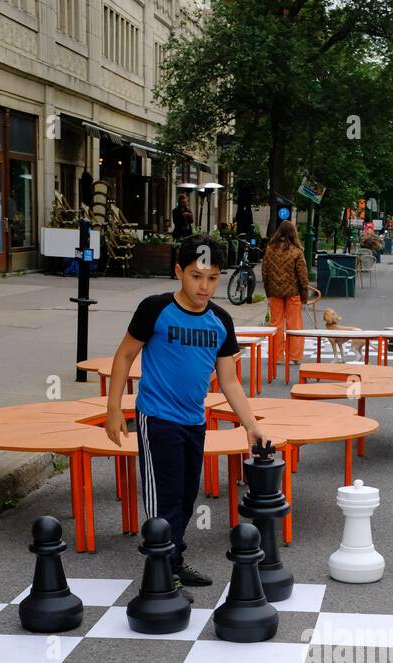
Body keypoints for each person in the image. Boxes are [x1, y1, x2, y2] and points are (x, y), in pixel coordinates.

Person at [105, 235, 267, 595]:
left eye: (212, 278)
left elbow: (229, 381)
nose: (204, 286)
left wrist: (251, 425)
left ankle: (174, 559)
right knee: (163, 497)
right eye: (196, 276)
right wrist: (114, 408)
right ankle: (161, 568)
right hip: (157, 417)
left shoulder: (220, 321)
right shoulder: (155, 309)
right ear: (179, 271)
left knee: (185, 496)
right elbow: (124, 356)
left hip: (194, 422)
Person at [261, 220, 309, 368]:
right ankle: (294, 356)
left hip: (275, 292)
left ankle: (276, 355)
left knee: (276, 324)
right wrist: (304, 295)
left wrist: (268, 291)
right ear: (293, 233)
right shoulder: (296, 251)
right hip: (293, 292)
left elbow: (265, 272)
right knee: (294, 324)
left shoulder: (270, 249)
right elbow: (302, 275)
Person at [170, 192, 194, 277]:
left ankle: (184, 272)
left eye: (186, 202)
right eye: (183, 202)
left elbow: (192, 221)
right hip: (178, 234)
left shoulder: (188, 210)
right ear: (180, 202)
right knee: (175, 254)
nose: (185, 204)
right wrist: (182, 215)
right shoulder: (175, 211)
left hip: (187, 234)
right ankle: (173, 273)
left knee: (186, 253)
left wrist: (188, 215)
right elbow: (176, 222)